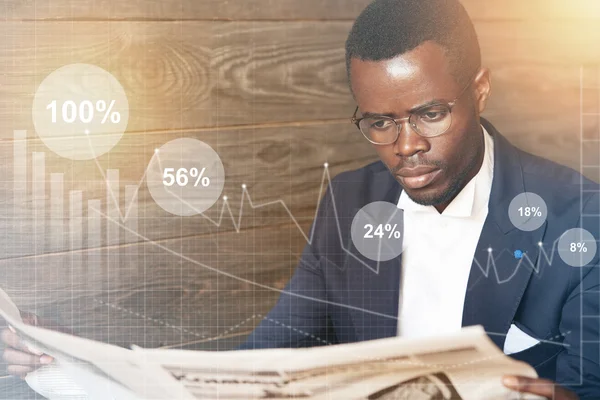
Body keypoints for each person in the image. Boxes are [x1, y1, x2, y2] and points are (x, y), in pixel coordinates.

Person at [3, 0, 598, 398]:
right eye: (379, 123)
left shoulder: (579, 215)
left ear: (480, 90)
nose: (407, 146)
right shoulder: (349, 203)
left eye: (431, 113)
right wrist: (70, 356)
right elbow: (262, 358)